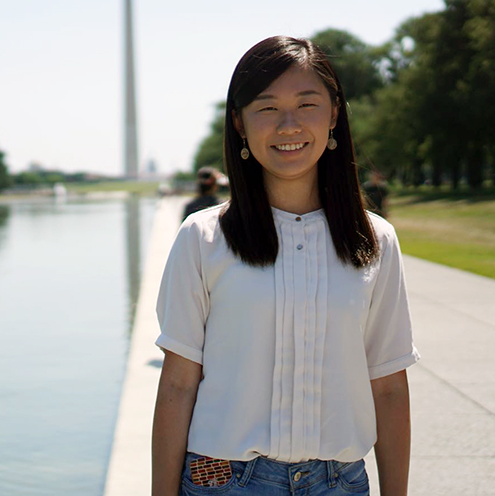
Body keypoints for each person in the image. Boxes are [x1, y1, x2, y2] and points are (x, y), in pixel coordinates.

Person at [152, 36, 419, 496]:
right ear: (239, 123)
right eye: (267, 107)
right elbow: (178, 385)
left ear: (334, 114)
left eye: (307, 104)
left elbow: (390, 386)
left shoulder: (375, 241)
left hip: (340, 483)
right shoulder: (203, 238)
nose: (288, 124)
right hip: (223, 480)